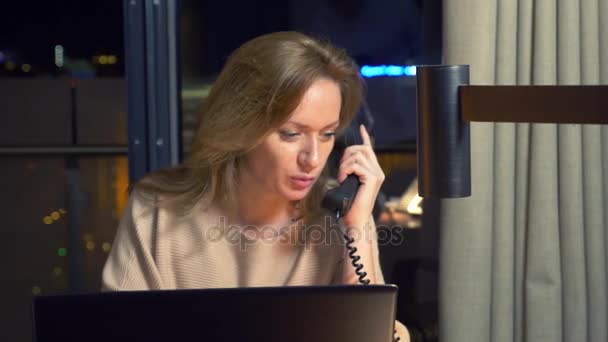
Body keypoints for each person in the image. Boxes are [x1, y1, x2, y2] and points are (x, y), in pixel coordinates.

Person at [101, 31, 409, 341]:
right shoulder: (156, 209)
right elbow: (117, 328)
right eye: (291, 134)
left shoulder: (342, 214)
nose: (313, 159)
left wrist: (356, 231)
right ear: (242, 127)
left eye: (327, 134)